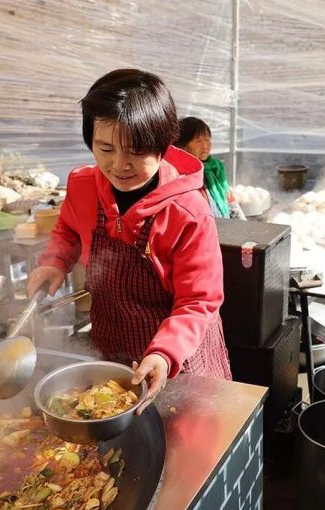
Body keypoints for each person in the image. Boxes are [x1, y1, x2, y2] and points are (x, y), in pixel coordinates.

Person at [28, 69, 232, 412]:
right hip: (112, 342)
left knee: (181, 431)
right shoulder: (82, 186)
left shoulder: (187, 212)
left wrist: (165, 353)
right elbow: (68, 228)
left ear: (163, 145)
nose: (119, 164)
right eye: (105, 148)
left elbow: (199, 301)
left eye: (136, 151)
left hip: (178, 354)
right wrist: (55, 261)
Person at [175, 117, 245, 220]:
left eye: (207, 140)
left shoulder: (215, 169)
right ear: (182, 145)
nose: (205, 146)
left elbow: (230, 201)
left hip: (223, 226)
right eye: (199, 141)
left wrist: (243, 224)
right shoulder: (178, 175)